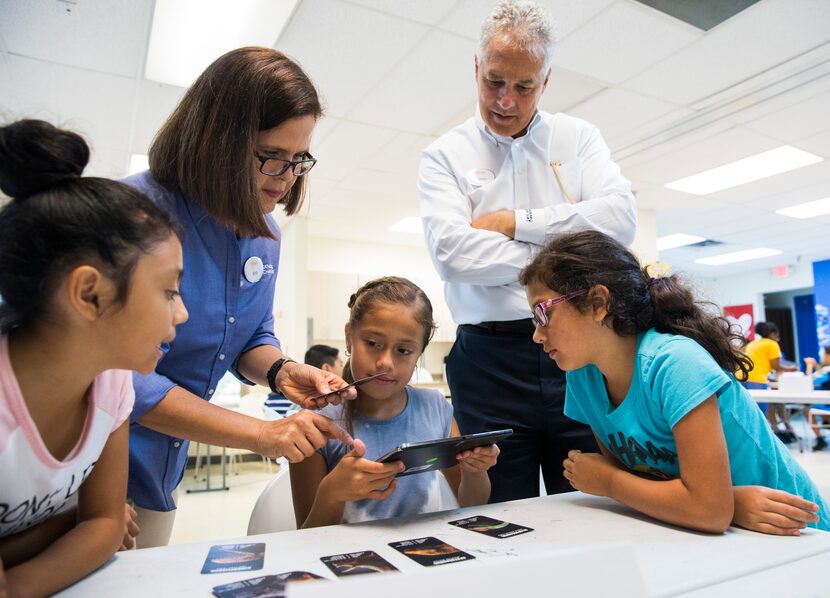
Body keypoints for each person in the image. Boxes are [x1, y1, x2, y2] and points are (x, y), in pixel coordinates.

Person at [122, 47, 355, 547]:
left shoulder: (263, 231)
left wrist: (282, 371)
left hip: (160, 467)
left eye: (299, 160)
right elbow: (116, 376)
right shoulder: (129, 213)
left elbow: (249, 335)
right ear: (216, 141)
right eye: (271, 157)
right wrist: (260, 435)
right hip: (85, 458)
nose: (287, 177)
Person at [418, 0, 636, 502]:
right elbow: (453, 255)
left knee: (596, 503)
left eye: (524, 86)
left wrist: (518, 223)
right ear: (475, 66)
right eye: (494, 81)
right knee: (498, 516)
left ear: (547, 79)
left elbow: (620, 220)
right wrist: (570, 265)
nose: (506, 101)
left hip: (582, 353)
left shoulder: (578, 139)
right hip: (489, 360)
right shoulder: (444, 155)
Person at [519, 230, 828, 535]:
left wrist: (609, 483)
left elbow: (708, 511)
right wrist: (727, 503)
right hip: (715, 531)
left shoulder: (675, 363)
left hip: (796, 530)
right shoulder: (583, 377)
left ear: (599, 303)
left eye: (543, 313)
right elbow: (639, 480)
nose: (536, 334)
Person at [0, 120, 188, 595]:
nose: (182, 313)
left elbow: (105, 524)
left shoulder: (112, 384)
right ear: (89, 294)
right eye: (168, 291)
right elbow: (100, 522)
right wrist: (64, 525)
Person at [290, 277, 499, 528]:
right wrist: (332, 493)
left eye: (403, 351)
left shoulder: (436, 408)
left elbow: (469, 505)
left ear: (418, 353)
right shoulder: (315, 422)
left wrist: (475, 472)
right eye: (373, 344)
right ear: (348, 338)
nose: (386, 363)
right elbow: (306, 536)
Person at [744, 321, 799, 442]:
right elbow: (776, 366)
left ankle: (774, 432)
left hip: (743, 377)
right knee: (762, 412)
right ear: (773, 333)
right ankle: (765, 439)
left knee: (758, 409)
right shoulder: (771, 344)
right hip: (757, 379)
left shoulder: (753, 343)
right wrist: (791, 369)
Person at [265, 345, 343, 417]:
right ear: (326, 368)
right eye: (341, 364)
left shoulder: (294, 404)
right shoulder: (333, 406)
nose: (342, 369)